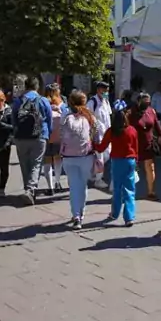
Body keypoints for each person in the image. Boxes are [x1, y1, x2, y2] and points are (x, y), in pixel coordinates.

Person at [60, 91, 98, 229]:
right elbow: (97, 132)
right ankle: (81, 214)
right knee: (82, 185)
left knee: (74, 186)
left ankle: (76, 215)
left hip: (68, 157)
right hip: (85, 155)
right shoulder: (89, 116)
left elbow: (60, 132)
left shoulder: (65, 114)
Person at [12, 78, 53, 206]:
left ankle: (28, 190)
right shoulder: (43, 100)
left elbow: (13, 119)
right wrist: (48, 134)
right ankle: (30, 190)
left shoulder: (18, 101)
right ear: (37, 87)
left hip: (21, 137)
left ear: (25, 86)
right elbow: (49, 119)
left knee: (25, 164)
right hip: (39, 136)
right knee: (36, 164)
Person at [94, 109, 138, 226]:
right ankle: (129, 217)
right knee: (129, 189)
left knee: (117, 189)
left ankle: (114, 213)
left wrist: (92, 143)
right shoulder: (132, 130)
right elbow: (136, 147)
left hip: (117, 161)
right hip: (130, 160)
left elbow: (101, 148)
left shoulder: (111, 131)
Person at [130, 92, 161, 200]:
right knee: (131, 169)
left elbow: (157, 125)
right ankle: (128, 192)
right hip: (133, 144)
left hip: (148, 144)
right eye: (144, 101)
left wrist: (160, 136)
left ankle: (151, 192)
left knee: (150, 167)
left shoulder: (151, 111)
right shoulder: (131, 112)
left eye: (148, 102)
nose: (146, 103)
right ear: (138, 101)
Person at [42, 83, 68, 195]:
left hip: (47, 134)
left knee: (47, 160)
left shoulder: (43, 102)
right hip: (59, 135)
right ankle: (57, 183)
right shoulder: (62, 102)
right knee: (58, 159)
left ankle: (51, 187)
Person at [88, 81, 113, 191]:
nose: (106, 92)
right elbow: (88, 117)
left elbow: (109, 116)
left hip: (107, 133)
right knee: (100, 157)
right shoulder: (92, 102)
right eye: (105, 90)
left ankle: (93, 175)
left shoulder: (106, 101)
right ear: (98, 90)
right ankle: (98, 179)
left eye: (107, 90)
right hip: (98, 134)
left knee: (107, 155)